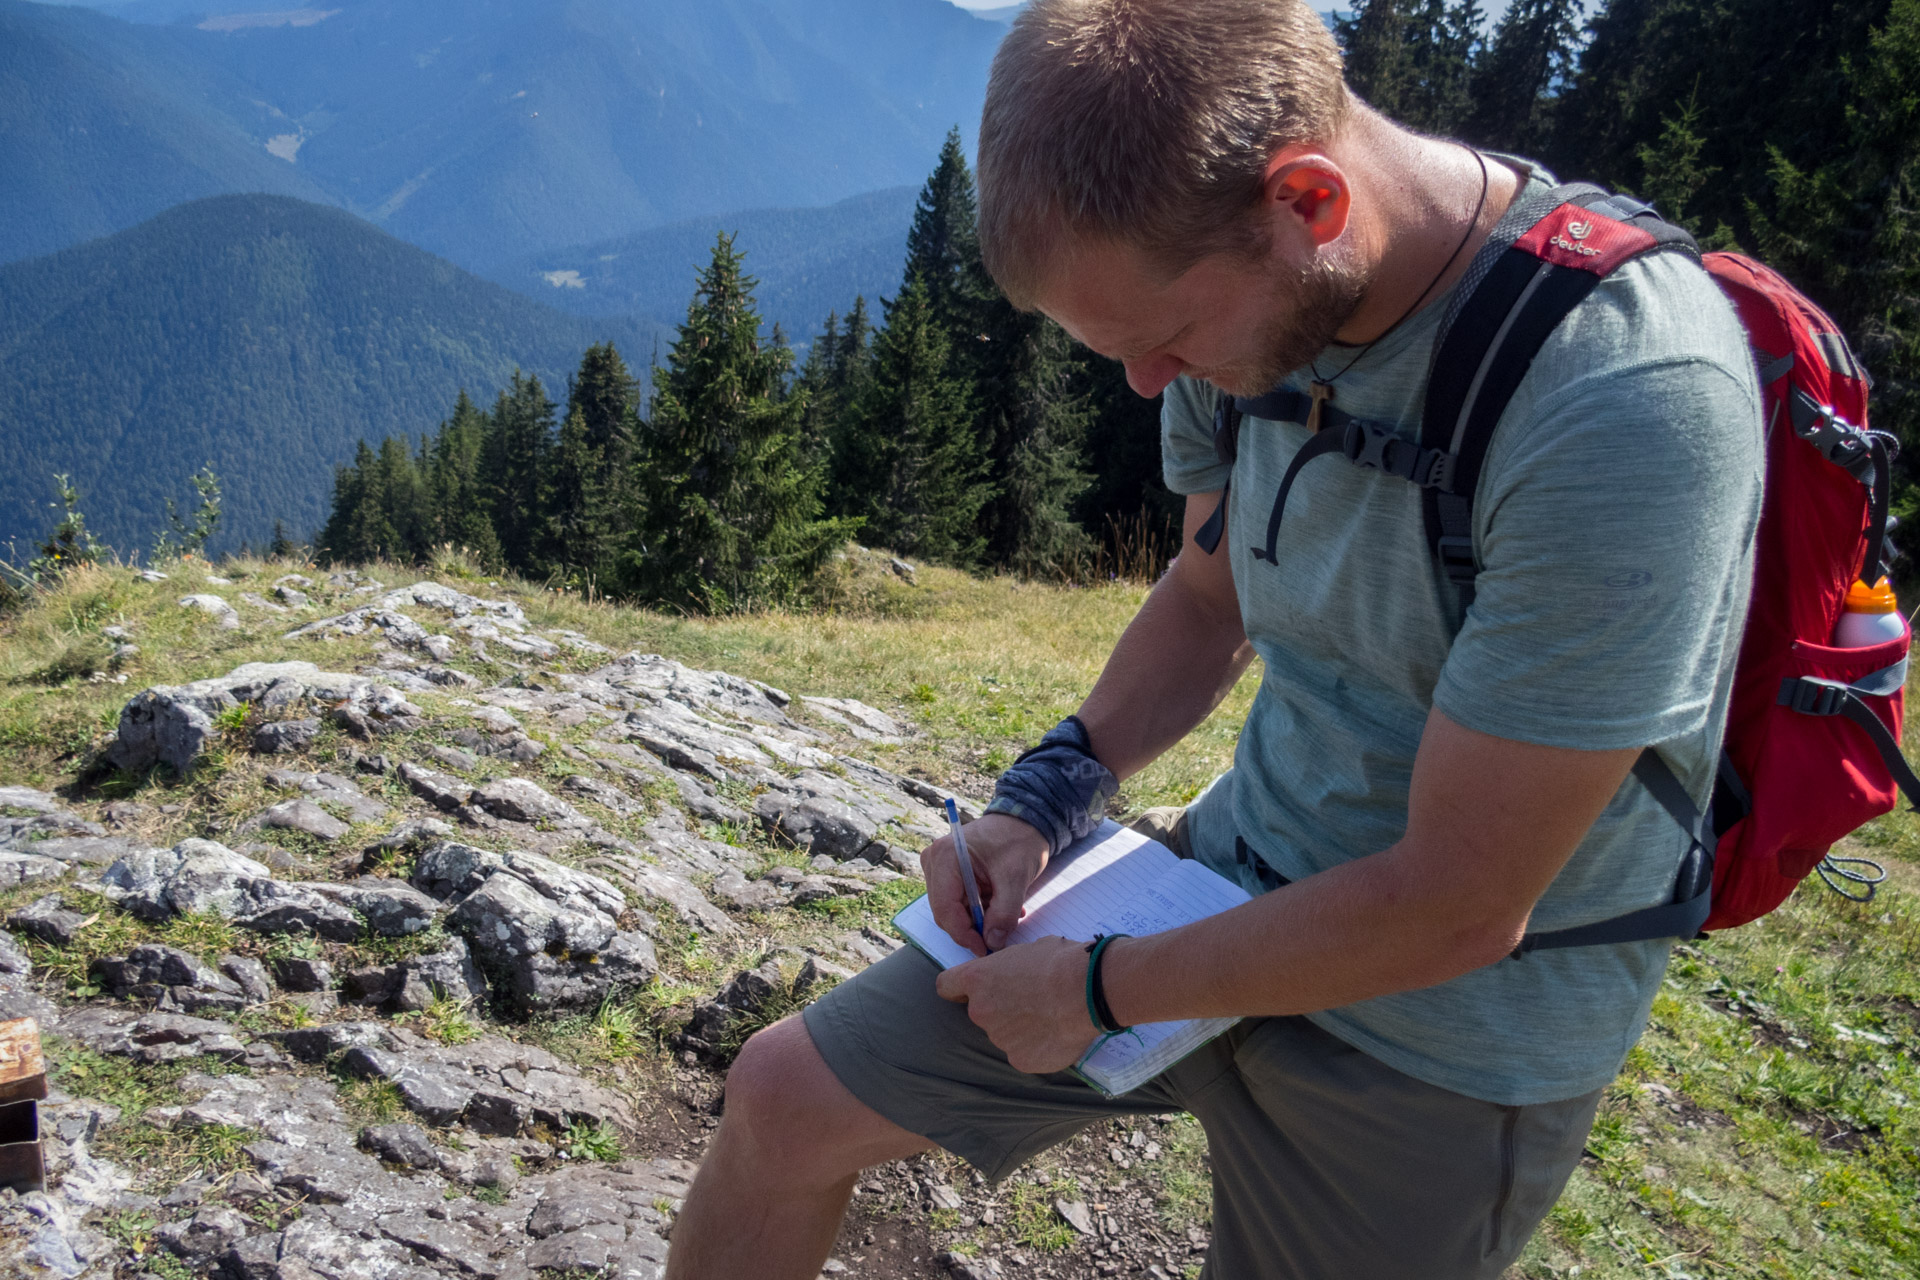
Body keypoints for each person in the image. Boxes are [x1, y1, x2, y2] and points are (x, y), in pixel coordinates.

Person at [664, 1, 1764, 1276]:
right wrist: (1047, 796)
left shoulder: (1622, 400)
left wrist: (1098, 991)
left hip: (1446, 1030)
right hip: (1222, 878)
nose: (1147, 383)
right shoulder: (1241, 293)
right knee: (783, 1099)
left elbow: (1461, 903)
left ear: (1306, 201)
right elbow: (1207, 594)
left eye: (1167, 341)